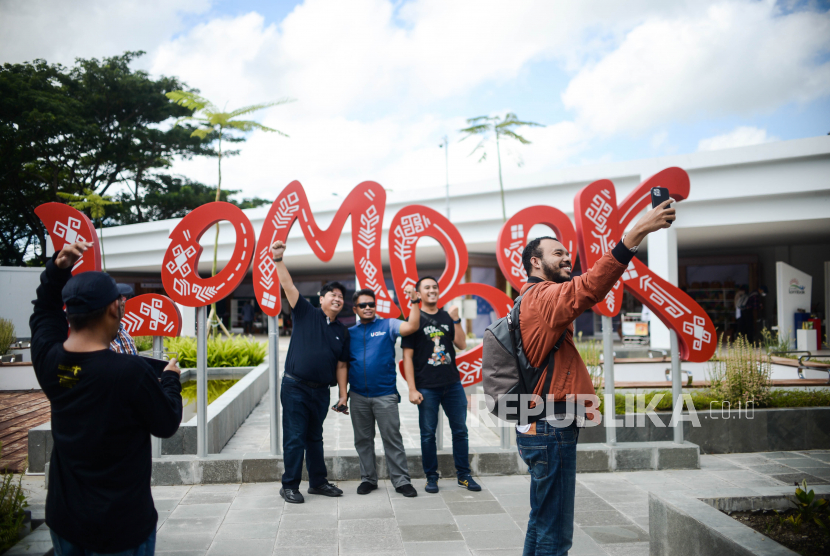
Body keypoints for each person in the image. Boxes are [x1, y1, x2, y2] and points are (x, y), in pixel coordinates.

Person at [515, 198, 675, 555]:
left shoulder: (527, 299)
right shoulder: (542, 297)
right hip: (550, 426)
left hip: (537, 423)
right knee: (554, 531)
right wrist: (637, 232)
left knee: (542, 520)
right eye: (557, 253)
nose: (566, 257)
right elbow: (590, 286)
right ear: (535, 263)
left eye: (566, 252)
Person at [29, 240, 183, 555]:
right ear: (115, 307)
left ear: (69, 312)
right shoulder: (129, 373)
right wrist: (170, 380)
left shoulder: (49, 360)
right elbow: (166, 423)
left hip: (65, 521)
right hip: (121, 527)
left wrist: (57, 270)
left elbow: (43, 313)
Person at [271, 239, 349, 503]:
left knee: (315, 438)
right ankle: (289, 485)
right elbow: (288, 285)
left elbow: (341, 364)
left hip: (321, 393)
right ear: (321, 298)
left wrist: (343, 394)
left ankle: (318, 482)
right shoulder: (305, 312)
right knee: (294, 438)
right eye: (332, 295)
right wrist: (279, 260)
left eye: (341, 297)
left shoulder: (342, 331)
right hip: (295, 387)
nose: (337, 299)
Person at [402, 276, 480, 493]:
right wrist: (412, 388)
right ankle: (431, 477)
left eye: (434, 287)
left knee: (460, 431)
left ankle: (464, 475)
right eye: (426, 287)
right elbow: (406, 357)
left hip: (452, 384)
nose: (432, 290)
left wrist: (456, 320)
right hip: (426, 386)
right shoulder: (415, 319)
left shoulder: (447, 316)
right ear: (418, 293)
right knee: (427, 433)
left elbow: (462, 344)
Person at [343, 286, 421, 498]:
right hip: (358, 396)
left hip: (385, 394)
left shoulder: (388, 324)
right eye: (363, 305)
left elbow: (412, 326)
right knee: (362, 440)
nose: (368, 308)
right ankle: (368, 479)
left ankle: (402, 481)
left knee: (392, 438)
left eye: (371, 304)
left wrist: (414, 302)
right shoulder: (349, 333)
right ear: (355, 309)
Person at [110, 283, 139, 354]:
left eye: (123, 300)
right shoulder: (103, 338)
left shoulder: (123, 332)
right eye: (119, 300)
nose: (123, 304)